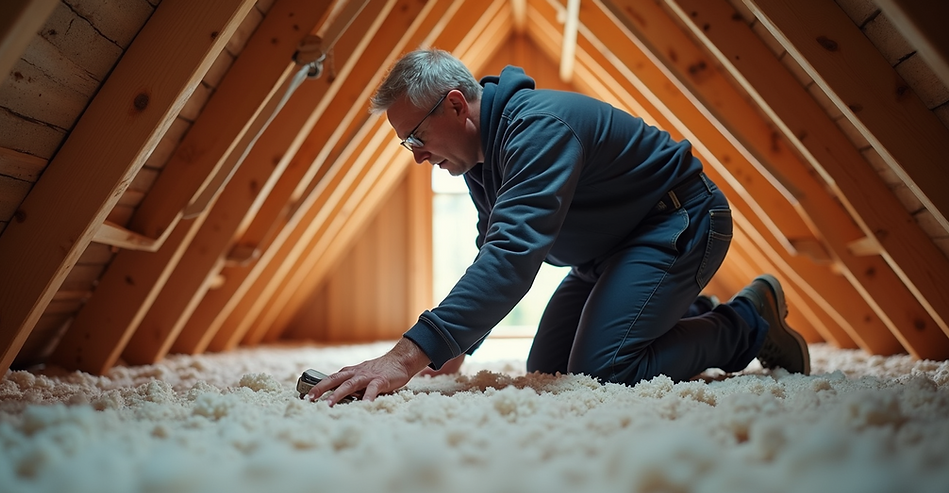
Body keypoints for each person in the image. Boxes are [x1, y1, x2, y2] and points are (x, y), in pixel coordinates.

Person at [306, 48, 809, 406]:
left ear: (457, 105)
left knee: (603, 372)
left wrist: (408, 355)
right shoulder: (481, 160)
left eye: (415, 136)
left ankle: (747, 321)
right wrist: (456, 345)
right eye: (406, 144)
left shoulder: (537, 130)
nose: (416, 157)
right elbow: (492, 248)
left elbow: (512, 257)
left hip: (677, 222)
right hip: (606, 254)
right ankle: (671, 311)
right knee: (548, 370)